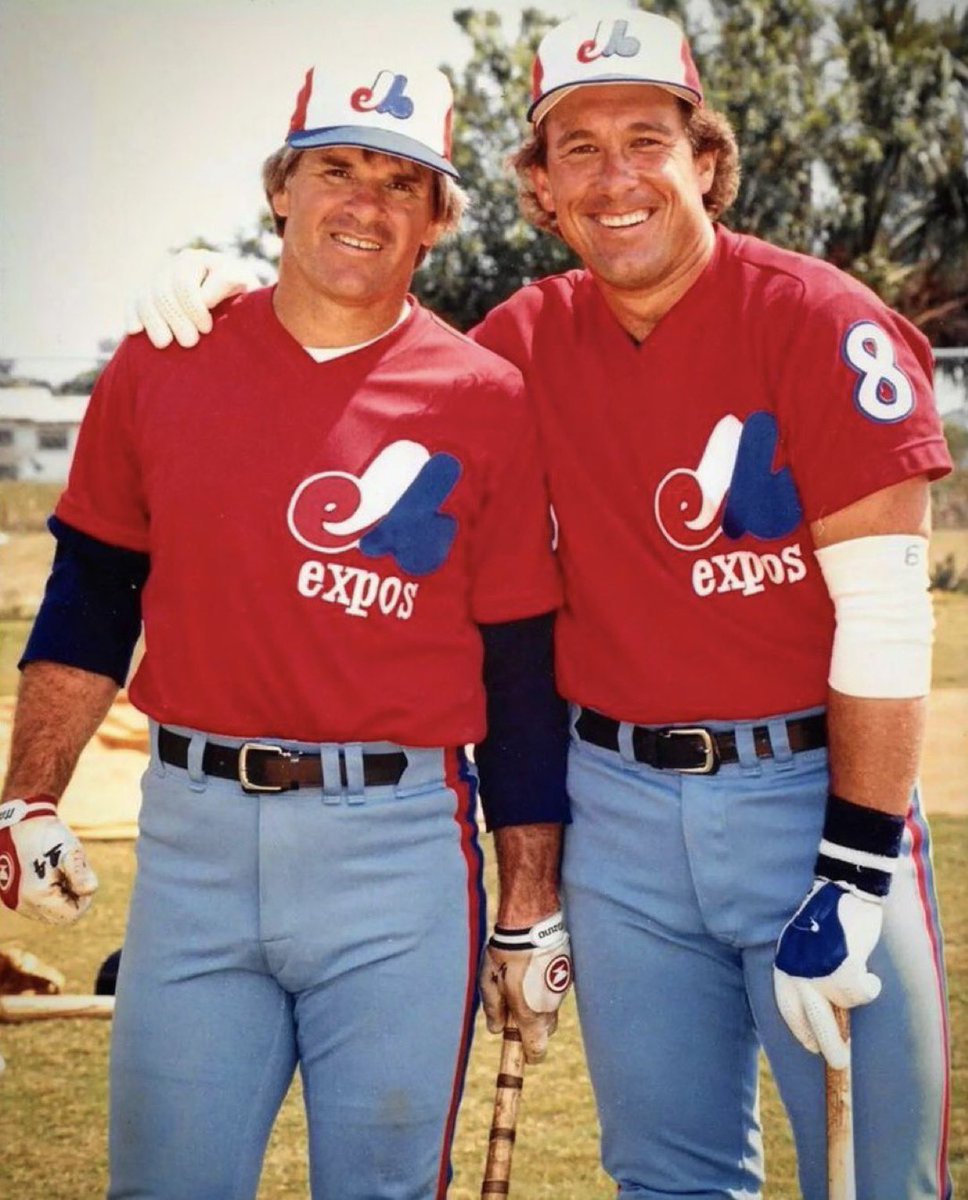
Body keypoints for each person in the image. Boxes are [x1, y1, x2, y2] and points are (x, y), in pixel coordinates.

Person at [126, 11, 954, 1197]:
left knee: (878, 1181)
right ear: (538, 189)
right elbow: (369, 368)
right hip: (615, 815)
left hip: (815, 800)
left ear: (704, 163)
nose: (614, 177)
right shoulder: (520, 343)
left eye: (645, 141)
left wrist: (857, 864)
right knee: (667, 1179)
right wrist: (227, 299)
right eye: (576, 149)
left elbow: (884, 617)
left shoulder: (823, 321)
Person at [1, 50, 574, 1200]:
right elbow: (91, 597)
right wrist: (29, 793)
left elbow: (518, 670)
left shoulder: (484, 397)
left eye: (401, 183)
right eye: (336, 169)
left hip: (398, 851)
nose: (363, 203)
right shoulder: (160, 364)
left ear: (434, 222)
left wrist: (529, 907)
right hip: (194, 848)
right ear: (280, 189)